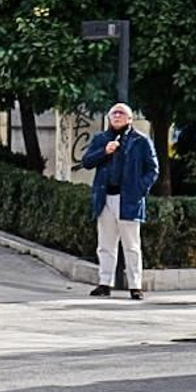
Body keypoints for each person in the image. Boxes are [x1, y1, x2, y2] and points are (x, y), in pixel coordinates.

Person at [82, 103, 158, 300]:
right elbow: (87, 161)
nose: (116, 116)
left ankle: (135, 285)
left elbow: (152, 169)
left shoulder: (140, 141)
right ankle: (104, 283)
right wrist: (104, 152)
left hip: (129, 199)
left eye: (121, 113)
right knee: (105, 244)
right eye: (113, 113)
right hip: (105, 197)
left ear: (130, 119)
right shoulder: (102, 139)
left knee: (131, 245)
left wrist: (139, 190)